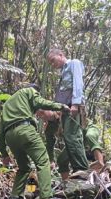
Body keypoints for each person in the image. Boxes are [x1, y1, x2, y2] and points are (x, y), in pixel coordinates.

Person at [0, 86, 69, 199]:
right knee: (42, 161)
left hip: (10, 136)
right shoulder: (28, 90)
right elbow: (39, 102)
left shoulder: (8, 104)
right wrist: (60, 106)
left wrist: (4, 154)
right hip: (25, 130)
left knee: (24, 168)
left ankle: (15, 197)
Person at [46, 48, 89, 181]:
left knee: (72, 136)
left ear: (61, 55)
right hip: (65, 109)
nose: (53, 65)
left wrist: (75, 103)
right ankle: (77, 171)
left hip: (72, 107)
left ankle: (81, 170)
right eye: (51, 64)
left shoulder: (73, 63)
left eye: (53, 61)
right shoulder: (63, 72)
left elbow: (78, 83)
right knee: (68, 137)